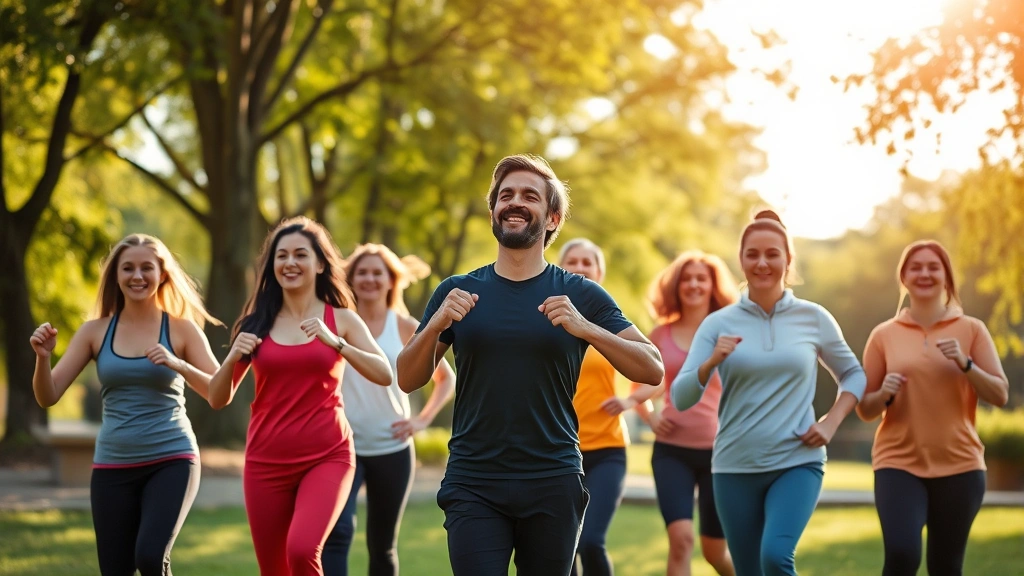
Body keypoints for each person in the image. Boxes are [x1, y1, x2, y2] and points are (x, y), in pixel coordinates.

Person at [396, 154, 664, 576]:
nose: (514, 202)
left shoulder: (581, 293)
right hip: (473, 480)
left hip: (552, 479)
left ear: (553, 217)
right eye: (506, 195)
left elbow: (652, 368)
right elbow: (407, 379)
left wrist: (586, 328)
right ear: (493, 212)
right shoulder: (457, 290)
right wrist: (435, 325)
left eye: (529, 196)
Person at [671, 210, 867, 576]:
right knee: (749, 571)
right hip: (734, 466)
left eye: (772, 254)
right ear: (741, 260)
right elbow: (681, 398)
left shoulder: (814, 318)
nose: (762, 263)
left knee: (775, 558)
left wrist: (831, 421)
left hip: (797, 461)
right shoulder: (718, 323)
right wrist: (709, 362)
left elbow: (854, 375)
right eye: (753, 254)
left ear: (788, 260)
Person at [207, 216, 393, 576]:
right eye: (281, 256)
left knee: (302, 549)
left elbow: (384, 373)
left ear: (320, 264)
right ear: (272, 265)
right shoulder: (255, 323)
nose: (289, 263)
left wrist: (336, 343)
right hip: (265, 462)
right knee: (274, 569)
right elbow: (217, 399)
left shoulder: (341, 319)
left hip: (327, 456)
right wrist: (231, 357)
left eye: (300, 255)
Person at [30, 233, 221, 576]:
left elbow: (220, 393)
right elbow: (49, 395)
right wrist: (43, 359)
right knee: (115, 570)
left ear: (162, 274)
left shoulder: (182, 330)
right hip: (112, 467)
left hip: (172, 458)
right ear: (116, 276)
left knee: (149, 557)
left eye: (147, 267)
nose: (137, 276)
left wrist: (180, 365)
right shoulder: (94, 332)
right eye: (128, 268)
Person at [856, 240, 1009, 576]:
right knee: (901, 555)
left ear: (947, 278)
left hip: (960, 465)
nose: (924, 273)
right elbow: (864, 409)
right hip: (897, 462)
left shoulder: (972, 330)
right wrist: (883, 393)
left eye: (933, 267)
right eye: (916, 267)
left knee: (945, 567)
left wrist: (966, 364)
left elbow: (1000, 394)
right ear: (904, 278)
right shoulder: (883, 335)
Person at [323, 243, 456, 576]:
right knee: (337, 535)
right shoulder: (336, 323)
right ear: (350, 279)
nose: (369, 279)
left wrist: (421, 420)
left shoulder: (406, 325)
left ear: (390, 280)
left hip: (392, 448)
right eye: (362, 272)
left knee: (382, 546)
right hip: (341, 448)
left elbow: (446, 379)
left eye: (377, 273)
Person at [604, 250, 737, 576]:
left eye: (701, 278)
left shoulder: (731, 331)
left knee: (714, 552)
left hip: (719, 454)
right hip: (671, 453)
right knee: (680, 539)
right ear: (676, 287)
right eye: (686, 279)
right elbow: (641, 384)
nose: (693, 284)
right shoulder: (661, 334)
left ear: (712, 285)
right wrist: (650, 416)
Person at [557, 238, 629, 576]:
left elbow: (653, 367)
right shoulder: (545, 321)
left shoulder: (611, 322)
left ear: (599, 272)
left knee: (589, 541)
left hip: (607, 449)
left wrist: (631, 400)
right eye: (573, 261)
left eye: (588, 262)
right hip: (556, 451)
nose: (580, 267)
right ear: (560, 269)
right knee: (560, 549)